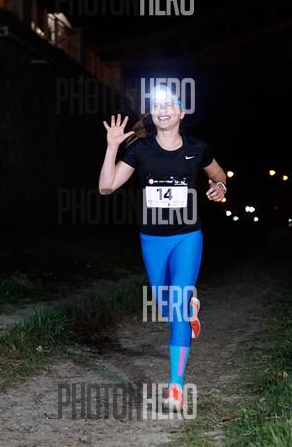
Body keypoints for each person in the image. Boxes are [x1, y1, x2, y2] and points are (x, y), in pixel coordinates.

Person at [98, 87, 227, 411]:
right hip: (152, 238)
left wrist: (220, 186)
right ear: (153, 114)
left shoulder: (197, 148)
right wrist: (112, 147)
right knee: (166, 308)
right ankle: (189, 306)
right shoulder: (140, 149)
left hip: (187, 235)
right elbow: (106, 187)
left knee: (177, 308)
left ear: (181, 113)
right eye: (157, 105)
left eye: (170, 104)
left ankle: (176, 387)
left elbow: (218, 173)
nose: (163, 109)